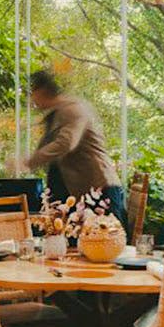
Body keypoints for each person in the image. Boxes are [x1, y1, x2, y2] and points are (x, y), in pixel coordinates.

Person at [24, 69, 125, 226]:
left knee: (105, 238)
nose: (31, 100)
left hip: (98, 188)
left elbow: (65, 143)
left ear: (42, 91)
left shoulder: (72, 109)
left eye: (32, 94)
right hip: (81, 192)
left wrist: (28, 161)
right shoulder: (56, 114)